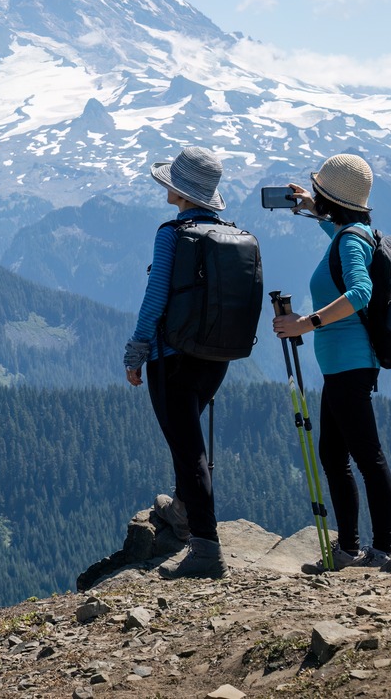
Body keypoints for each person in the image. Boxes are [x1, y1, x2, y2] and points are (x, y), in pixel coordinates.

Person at [271, 153, 391, 570]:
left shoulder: (349, 240)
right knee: (333, 456)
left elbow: (359, 291)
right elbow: (342, 232)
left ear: (331, 198)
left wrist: (307, 323)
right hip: (341, 366)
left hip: (350, 364)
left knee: (366, 457)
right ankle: (349, 550)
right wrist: (312, 209)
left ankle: (380, 552)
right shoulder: (352, 232)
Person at [124, 146, 232, 580]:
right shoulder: (226, 234)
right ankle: (183, 506)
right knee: (187, 438)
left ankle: (205, 546)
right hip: (215, 356)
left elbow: (155, 299)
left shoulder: (171, 234)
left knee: (189, 450)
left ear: (180, 191)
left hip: (172, 358)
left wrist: (137, 351)